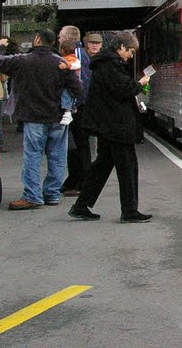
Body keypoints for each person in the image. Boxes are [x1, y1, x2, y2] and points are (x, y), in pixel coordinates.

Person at [0, 29, 82, 210]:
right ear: (53, 43)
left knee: (33, 157)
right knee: (57, 157)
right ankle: (52, 194)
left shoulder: (22, 61)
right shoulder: (61, 63)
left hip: (33, 116)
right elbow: (78, 88)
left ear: (37, 39)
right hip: (58, 117)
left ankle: (32, 196)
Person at [69, 31, 152, 223]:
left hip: (107, 124)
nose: (131, 55)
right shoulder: (110, 65)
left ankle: (81, 206)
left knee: (102, 165)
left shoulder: (105, 64)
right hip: (116, 125)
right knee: (128, 167)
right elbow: (124, 90)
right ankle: (129, 211)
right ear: (121, 47)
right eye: (130, 51)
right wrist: (140, 83)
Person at [63, 32, 103, 196]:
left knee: (81, 145)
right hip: (85, 106)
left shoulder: (88, 59)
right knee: (80, 145)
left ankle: (81, 181)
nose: (94, 46)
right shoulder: (86, 58)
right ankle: (76, 180)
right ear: (85, 44)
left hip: (84, 107)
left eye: (97, 43)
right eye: (92, 43)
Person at [56, 39, 82, 125]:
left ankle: (67, 112)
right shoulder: (62, 58)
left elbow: (77, 64)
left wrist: (67, 65)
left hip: (72, 83)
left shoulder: (72, 58)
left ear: (62, 50)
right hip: (66, 82)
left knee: (66, 94)